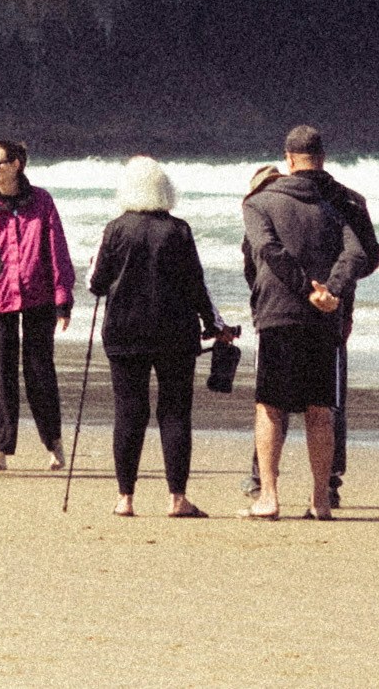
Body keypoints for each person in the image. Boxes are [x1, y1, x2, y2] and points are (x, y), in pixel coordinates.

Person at [237, 122, 379, 518]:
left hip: (279, 312)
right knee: (322, 408)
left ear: (288, 159)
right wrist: (330, 292)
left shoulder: (259, 201)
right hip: (329, 316)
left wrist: (307, 290)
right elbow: (365, 254)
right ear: (323, 158)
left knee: (270, 406)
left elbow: (262, 251)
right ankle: (321, 497)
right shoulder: (345, 201)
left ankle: (268, 494)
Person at [83, 154, 232, 517]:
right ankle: (177, 498)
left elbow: (96, 285)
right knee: (175, 413)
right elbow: (196, 284)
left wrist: (94, 268)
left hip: (124, 332)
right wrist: (214, 325)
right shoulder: (178, 230)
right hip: (174, 334)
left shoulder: (115, 229)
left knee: (129, 413)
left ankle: (125, 499)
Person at [0, 139, 75, 474]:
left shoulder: (41, 201)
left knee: (39, 371)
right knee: (0, 374)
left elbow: (56, 248)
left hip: (37, 296)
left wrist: (63, 299)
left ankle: (54, 444)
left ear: (17, 164)